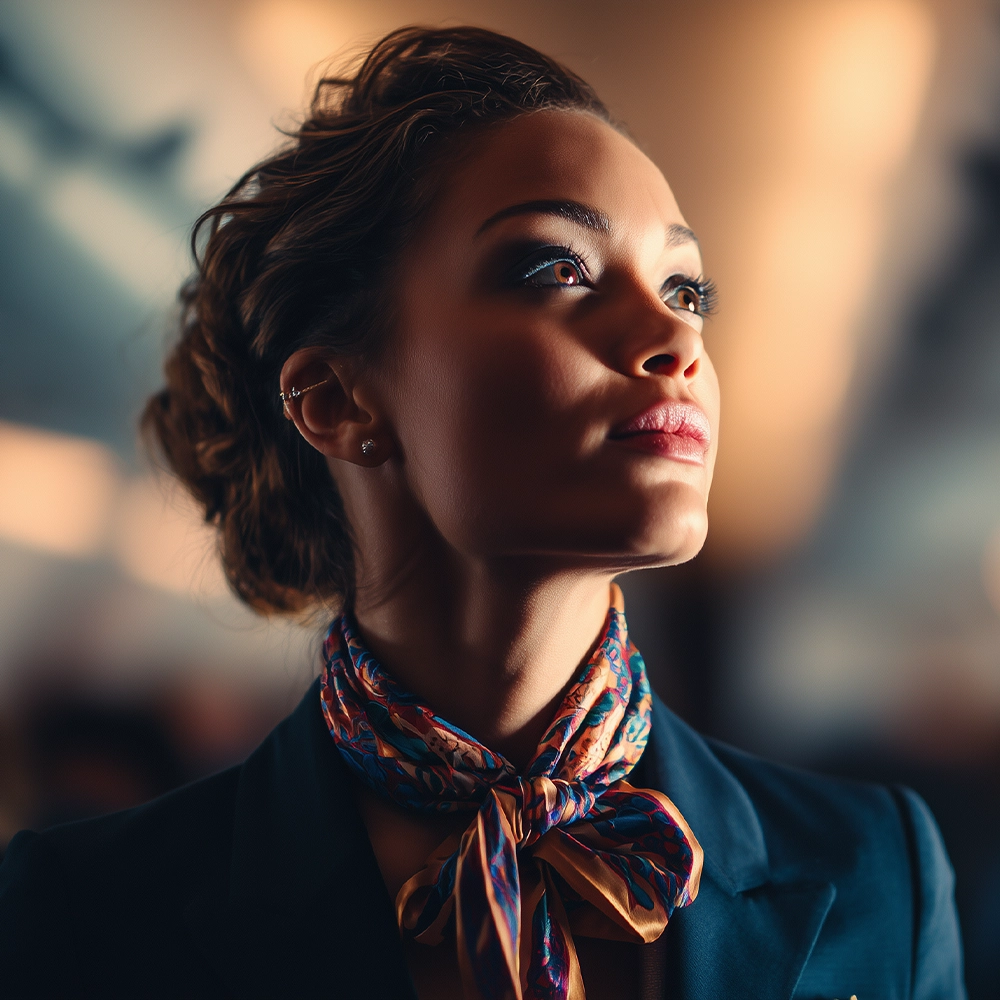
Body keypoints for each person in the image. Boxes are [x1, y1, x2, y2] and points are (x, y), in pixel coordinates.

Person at [0, 25, 964, 1000]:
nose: (673, 335)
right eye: (557, 268)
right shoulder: (85, 911)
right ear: (339, 401)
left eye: (684, 288)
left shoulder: (878, 871)